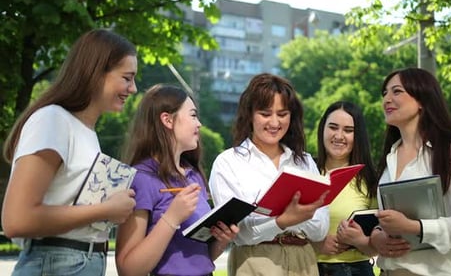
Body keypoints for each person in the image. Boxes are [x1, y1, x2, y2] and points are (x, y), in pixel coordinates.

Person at [1, 28, 137, 275]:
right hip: (56, 263)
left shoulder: (86, 132)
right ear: (96, 73)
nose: (133, 88)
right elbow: (16, 219)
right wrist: (105, 210)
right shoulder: (52, 120)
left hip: (79, 262)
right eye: (127, 78)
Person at [208, 73, 330, 276]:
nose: (274, 123)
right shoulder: (228, 163)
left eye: (282, 114)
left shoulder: (305, 161)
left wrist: (293, 217)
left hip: (304, 260)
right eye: (265, 114)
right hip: (254, 261)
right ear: (249, 114)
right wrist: (282, 221)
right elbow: (240, 233)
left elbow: (320, 229)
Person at [370, 68, 451, 276]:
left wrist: (415, 227)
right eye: (384, 93)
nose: (387, 99)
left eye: (397, 92)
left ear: (422, 99)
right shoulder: (390, 156)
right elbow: (388, 218)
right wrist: (378, 236)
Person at [115, 84, 239, 276]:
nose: (199, 124)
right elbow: (128, 269)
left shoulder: (193, 175)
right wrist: (171, 218)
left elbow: (201, 258)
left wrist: (222, 239)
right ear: (167, 120)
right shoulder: (141, 178)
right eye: (192, 115)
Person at [314, 101, 379, 276]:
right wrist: (317, 244)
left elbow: (379, 242)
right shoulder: (305, 171)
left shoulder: (370, 178)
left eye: (348, 130)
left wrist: (360, 240)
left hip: (355, 270)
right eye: (333, 127)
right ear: (322, 130)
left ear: (357, 136)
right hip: (307, 268)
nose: (339, 136)